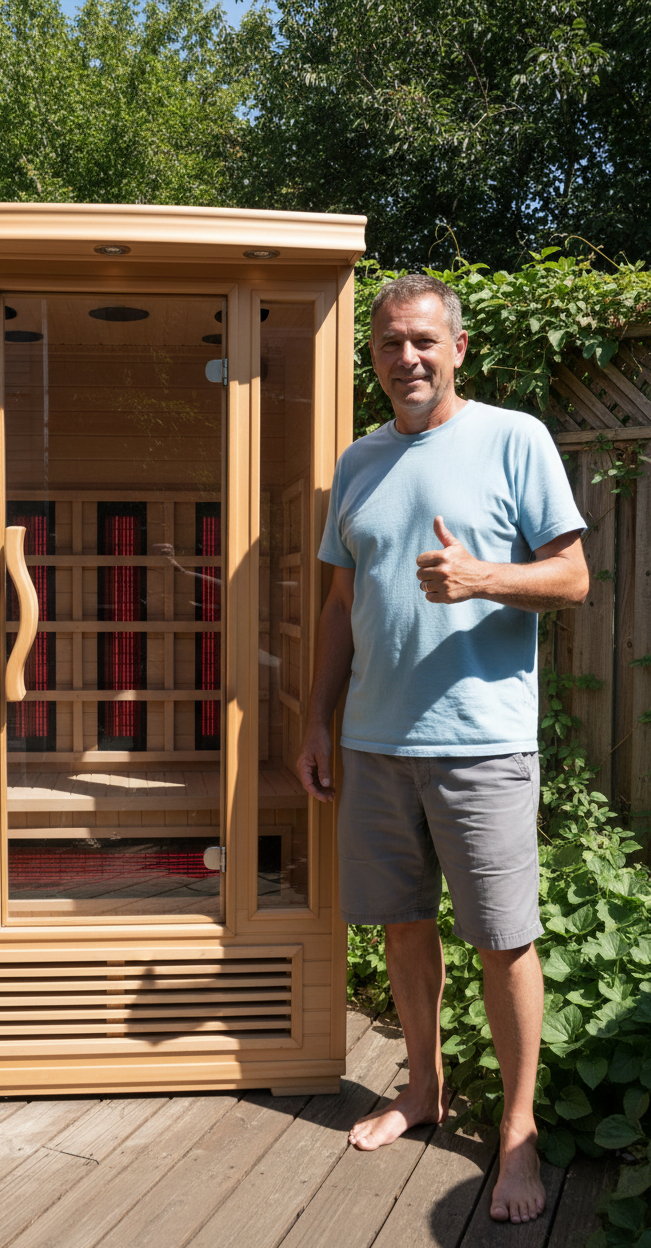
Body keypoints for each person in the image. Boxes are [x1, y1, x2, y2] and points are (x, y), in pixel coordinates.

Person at [296, 274, 588, 1226]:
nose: (407, 358)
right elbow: (341, 608)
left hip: (482, 747)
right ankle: (422, 1089)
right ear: (372, 355)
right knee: (403, 925)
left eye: (424, 340)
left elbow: (576, 578)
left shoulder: (515, 438)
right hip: (375, 743)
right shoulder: (358, 461)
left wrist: (482, 577)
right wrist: (315, 719)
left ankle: (515, 1132)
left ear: (459, 348)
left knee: (504, 940)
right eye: (389, 344)